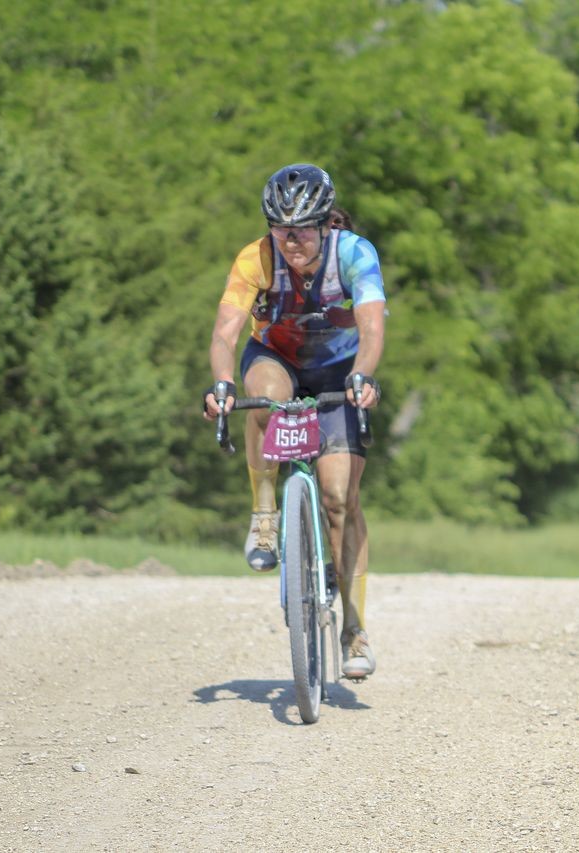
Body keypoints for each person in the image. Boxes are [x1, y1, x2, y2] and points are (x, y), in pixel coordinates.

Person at [203, 164, 386, 680]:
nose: (291, 241)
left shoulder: (354, 253)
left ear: (325, 223)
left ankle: (354, 627)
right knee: (263, 398)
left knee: (338, 500)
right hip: (276, 360)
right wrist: (222, 384)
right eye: (280, 230)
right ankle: (264, 516)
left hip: (337, 371)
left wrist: (363, 376)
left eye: (302, 230)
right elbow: (225, 333)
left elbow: (371, 327)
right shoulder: (254, 259)